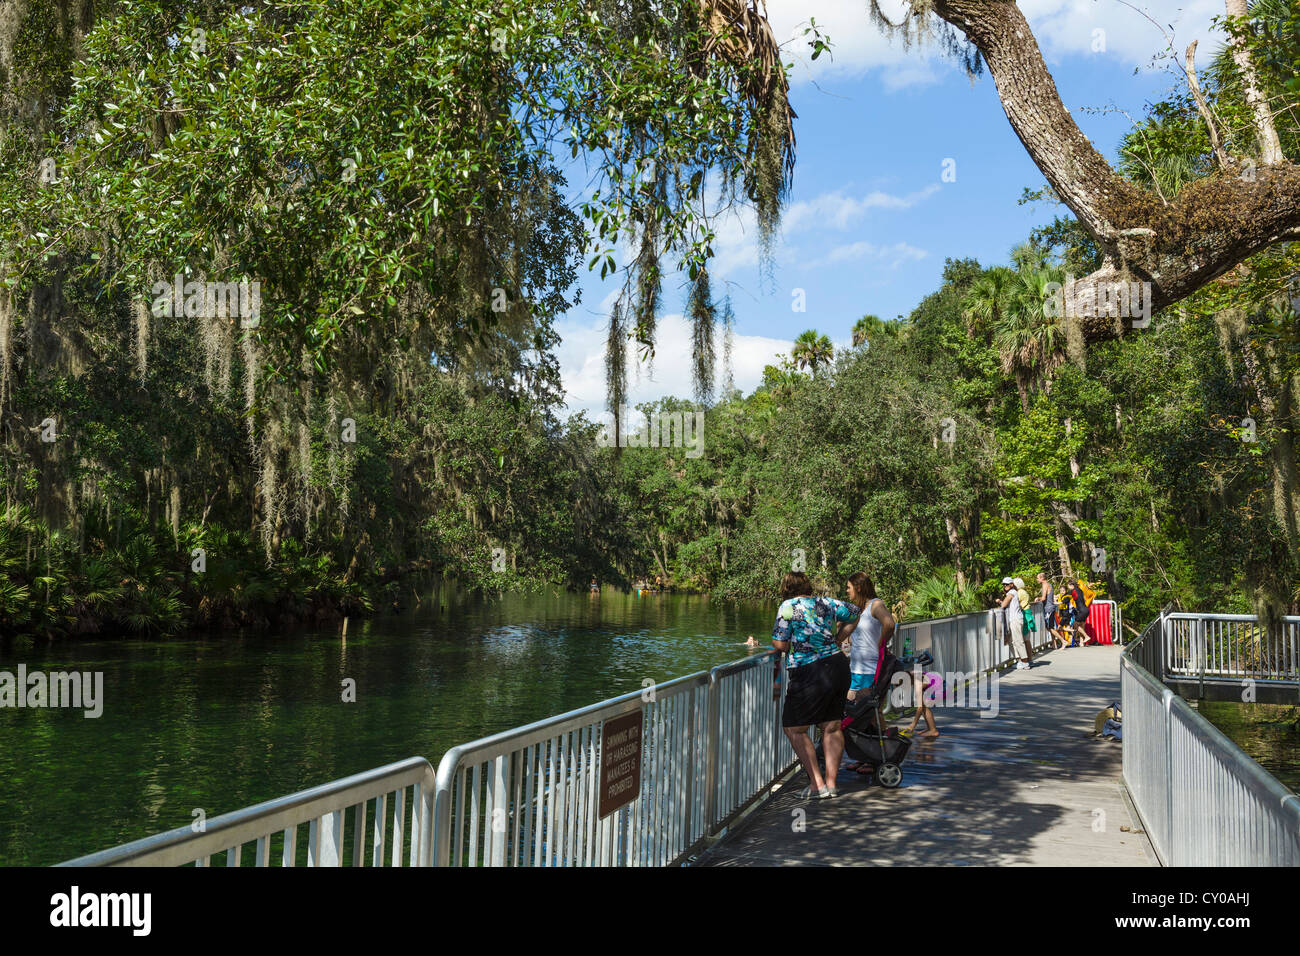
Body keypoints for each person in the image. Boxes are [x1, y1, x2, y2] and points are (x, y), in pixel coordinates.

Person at [771, 571, 859, 799]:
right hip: (838, 665)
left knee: (793, 727)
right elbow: (856, 613)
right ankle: (830, 784)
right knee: (831, 726)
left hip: (810, 669)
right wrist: (838, 637)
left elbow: (780, 643)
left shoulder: (788, 606)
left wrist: (788, 643)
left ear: (786, 588)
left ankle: (816, 783)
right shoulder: (826, 602)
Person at [844, 572, 895, 702]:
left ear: (858, 588)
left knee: (869, 713)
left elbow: (889, 624)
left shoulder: (875, 604)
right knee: (859, 714)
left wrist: (880, 644)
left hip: (870, 670)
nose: (847, 591)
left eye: (849, 587)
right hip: (856, 669)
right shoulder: (857, 609)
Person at [998, 576, 1031, 670]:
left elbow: (1004, 604)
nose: (1005, 586)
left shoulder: (1012, 592)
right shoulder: (1012, 592)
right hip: (1014, 619)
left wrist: (1000, 602)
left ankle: (1025, 662)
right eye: (1003, 585)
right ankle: (1020, 660)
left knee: (1018, 641)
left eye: (1006, 584)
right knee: (1011, 640)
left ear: (1011, 585)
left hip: (1016, 619)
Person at [1039, 572, 1067, 649]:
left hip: (1048, 609)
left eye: (1038, 578)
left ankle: (1063, 641)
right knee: (1050, 627)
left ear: (1042, 578)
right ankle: (1054, 644)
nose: (1037, 579)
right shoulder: (1049, 584)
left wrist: (1038, 599)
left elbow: (1044, 598)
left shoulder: (1045, 585)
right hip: (1050, 608)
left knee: (1049, 628)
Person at [1014, 577, 1035, 664]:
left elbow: (1015, 603)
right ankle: (1029, 659)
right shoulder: (1024, 591)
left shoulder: (1019, 592)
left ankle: (1023, 661)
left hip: (1023, 615)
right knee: (1027, 640)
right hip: (1027, 614)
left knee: (1021, 639)